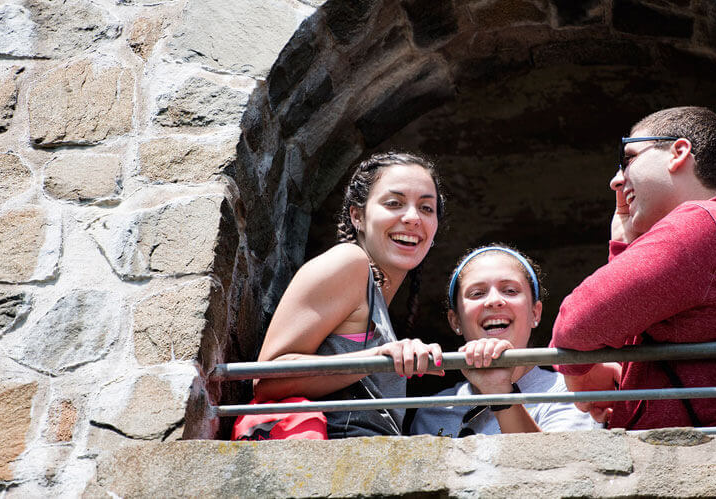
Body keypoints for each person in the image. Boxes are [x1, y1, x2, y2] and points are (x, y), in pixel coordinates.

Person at [551, 106, 716, 430]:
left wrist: (576, 378)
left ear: (678, 152)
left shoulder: (704, 224)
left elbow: (574, 325)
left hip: (688, 463)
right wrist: (624, 244)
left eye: (628, 158)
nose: (616, 180)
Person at [253, 152, 446, 438]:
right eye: (394, 203)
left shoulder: (377, 303)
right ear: (357, 216)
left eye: (427, 208)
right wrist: (377, 356)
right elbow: (266, 379)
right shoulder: (349, 262)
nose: (413, 218)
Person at [409, 245, 596, 437]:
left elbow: (558, 466)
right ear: (455, 321)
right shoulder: (432, 411)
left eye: (510, 290)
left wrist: (499, 391)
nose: (494, 301)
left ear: (535, 313)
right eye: (477, 293)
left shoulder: (568, 394)